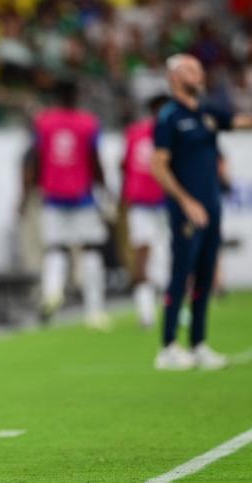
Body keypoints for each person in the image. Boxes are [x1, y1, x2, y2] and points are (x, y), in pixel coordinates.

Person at [151, 54, 252, 370]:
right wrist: (186, 201)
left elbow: (238, 122)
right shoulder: (169, 117)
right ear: (174, 76)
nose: (199, 73)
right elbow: (158, 165)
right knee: (181, 275)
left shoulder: (207, 111)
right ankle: (167, 346)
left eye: (199, 67)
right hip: (188, 210)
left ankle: (198, 344)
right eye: (191, 69)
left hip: (212, 206)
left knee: (206, 277)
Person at [30, 79, 110, 328]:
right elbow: (94, 159)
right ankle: (94, 309)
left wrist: (33, 188)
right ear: (77, 96)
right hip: (82, 195)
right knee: (91, 248)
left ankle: (52, 292)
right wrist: (104, 188)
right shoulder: (89, 123)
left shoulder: (43, 122)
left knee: (56, 248)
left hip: (52, 195)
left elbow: (36, 157)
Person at [121, 95, 171, 327]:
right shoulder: (165, 134)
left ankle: (167, 307)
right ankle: (146, 310)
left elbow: (123, 165)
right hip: (145, 202)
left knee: (162, 255)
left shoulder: (135, 132)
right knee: (145, 254)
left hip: (163, 201)